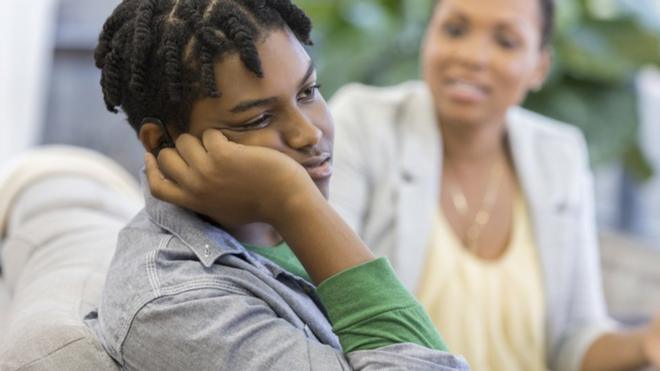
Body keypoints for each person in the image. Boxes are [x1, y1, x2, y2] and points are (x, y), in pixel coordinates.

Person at [83, 0, 470, 370]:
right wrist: (291, 199)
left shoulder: (275, 229)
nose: (309, 132)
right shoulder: (174, 308)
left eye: (308, 91)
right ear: (161, 142)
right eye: (257, 119)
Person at [326, 0, 660, 371]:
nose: (473, 56)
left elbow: (574, 341)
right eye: (454, 30)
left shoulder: (559, 156)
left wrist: (646, 343)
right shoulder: (364, 124)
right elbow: (325, 299)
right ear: (428, 36)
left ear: (539, 67)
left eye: (506, 41)